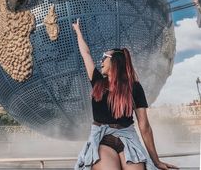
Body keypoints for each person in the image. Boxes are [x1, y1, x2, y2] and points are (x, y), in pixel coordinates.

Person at [72, 18, 179, 170]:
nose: (100, 61)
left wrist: (156, 161)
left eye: (104, 57)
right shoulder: (97, 81)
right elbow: (85, 53)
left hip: (128, 137)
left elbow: (144, 126)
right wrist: (77, 31)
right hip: (103, 139)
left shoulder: (134, 87)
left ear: (115, 62)